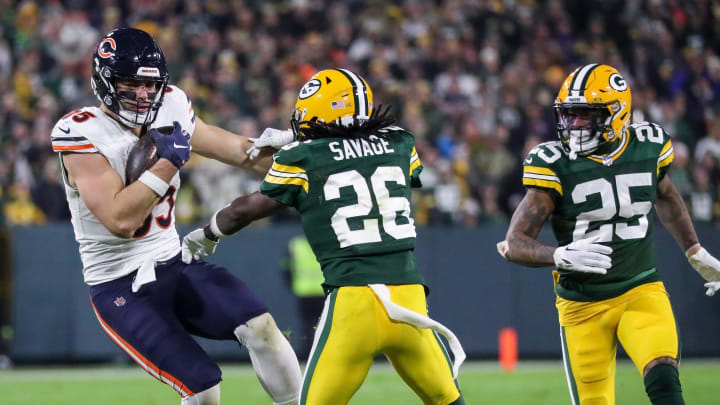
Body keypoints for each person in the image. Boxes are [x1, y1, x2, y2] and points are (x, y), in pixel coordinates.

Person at [182, 68, 466, 405]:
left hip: (354, 303)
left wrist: (207, 234)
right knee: (448, 400)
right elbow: (362, 151)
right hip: (410, 301)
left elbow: (246, 209)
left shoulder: (303, 158)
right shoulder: (400, 143)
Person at [50, 28, 301, 405]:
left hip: (174, 263)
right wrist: (168, 163)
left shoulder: (170, 104)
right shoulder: (81, 133)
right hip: (120, 285)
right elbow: (121, 220)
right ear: (105, 81)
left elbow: (232, 149)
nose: (143, 94)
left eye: (150, 85)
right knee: (203, 389)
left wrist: (299, 161)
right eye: (131, 84)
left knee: (262, 328)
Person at [496, 63, 720, 405]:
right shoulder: (554, 162)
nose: (574, 125)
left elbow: (668, 196)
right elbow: (514, 243)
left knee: (663, 375)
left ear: (617, 114)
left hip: (640, 289)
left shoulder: (647, 147)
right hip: (582, 305)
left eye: (585, 116)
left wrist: (694, 251)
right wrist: (556, 255)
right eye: (568, 115)